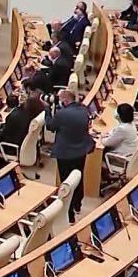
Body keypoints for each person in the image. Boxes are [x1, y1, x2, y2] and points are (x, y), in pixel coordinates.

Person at [47, 88, 94, 220]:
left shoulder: (62, 114)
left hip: (65, 153)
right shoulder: (84, 110)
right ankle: (77, 205)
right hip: (81, 151)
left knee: (66, 182)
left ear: (65, 101)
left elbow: (50, 126)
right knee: (78, 178)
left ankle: (69, 212)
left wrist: (47, 111)